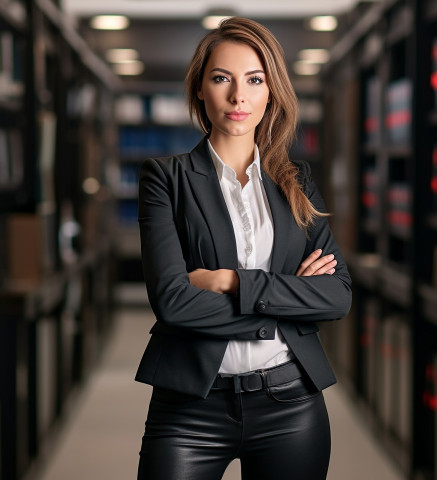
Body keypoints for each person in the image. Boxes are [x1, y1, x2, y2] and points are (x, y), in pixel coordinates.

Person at [135, 16, 351, 480]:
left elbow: (337, 296)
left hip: (291, 403)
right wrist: (288, 297)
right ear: (200, 89)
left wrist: (230, 282)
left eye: (254, 80)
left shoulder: (297, 183)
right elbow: (173, 303)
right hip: (190, 407)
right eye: (221, 79)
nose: (239, 97)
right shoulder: (165, 179)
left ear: (271, 91)